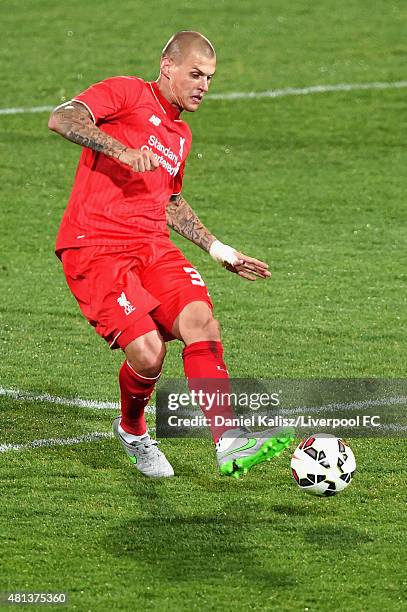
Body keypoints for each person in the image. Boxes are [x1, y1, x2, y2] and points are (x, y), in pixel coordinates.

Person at [48, 31, 293, 479]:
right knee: (148, 353)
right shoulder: (126, 92)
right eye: (195, 74)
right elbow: (62, 119)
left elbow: (171, 201)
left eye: (210, 78)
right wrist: (120, 149)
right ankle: (133, 431)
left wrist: (218, 249)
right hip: (96, 246)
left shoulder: (181, 134)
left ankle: (230, 442)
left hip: (150, 245)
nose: (203, 85)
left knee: (200, 318)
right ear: (168, 67)